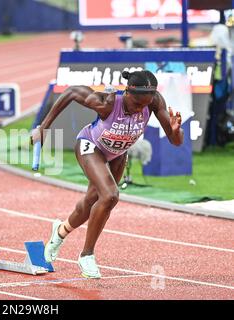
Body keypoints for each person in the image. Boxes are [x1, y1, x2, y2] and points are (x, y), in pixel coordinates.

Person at [31, 70, 183, 279]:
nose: (140, 110)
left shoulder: (153, 101)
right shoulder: (108, 103)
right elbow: (72, 92)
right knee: (110, 195)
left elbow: (176, 141)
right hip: (90, 146)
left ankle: (59, 233)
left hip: (118, 154)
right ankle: (87, 255)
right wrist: (43, 127)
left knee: (90, 203)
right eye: (137, 105)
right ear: (127, 93)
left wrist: (175, 131)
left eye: (144, 106)